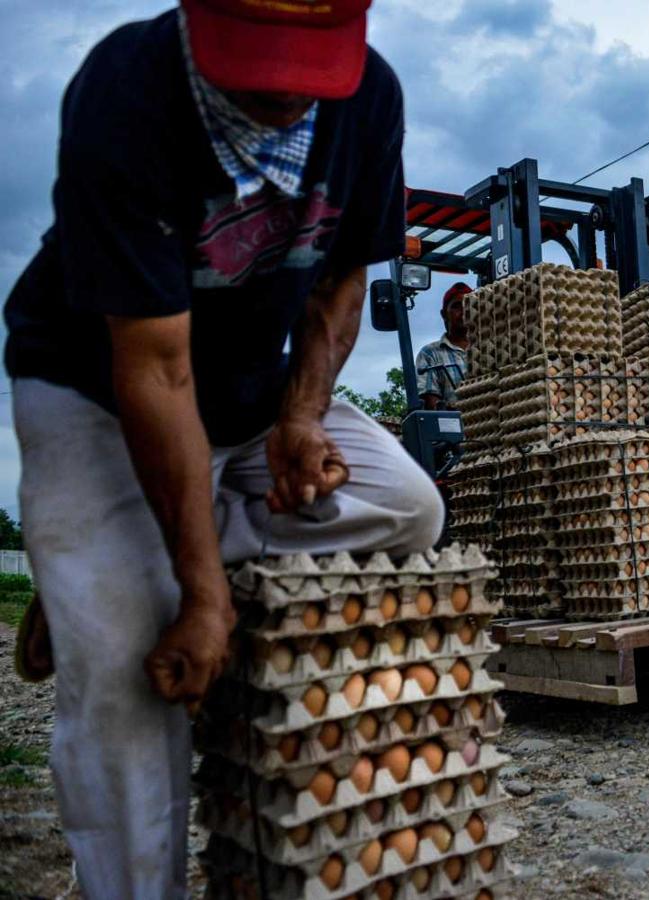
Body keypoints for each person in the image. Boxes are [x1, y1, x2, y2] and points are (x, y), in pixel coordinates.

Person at [2, 2, 442, 896]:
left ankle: (103, 567)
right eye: (257, 58)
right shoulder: (125, 92)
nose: (283, 88)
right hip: (93, 383)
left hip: (245, 388)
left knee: (408, 506)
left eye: (306, 62)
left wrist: (303, 416)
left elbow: (338, 284)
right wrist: (200, 597)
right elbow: (155, 372)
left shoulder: (369, 97)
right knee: (131, 671)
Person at [416, 281, 472, 409]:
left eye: (468, 304)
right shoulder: (430, 354)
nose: (463, 311)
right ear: (444, 314)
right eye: (457, 306)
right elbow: (432, 405)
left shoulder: (486, 347)